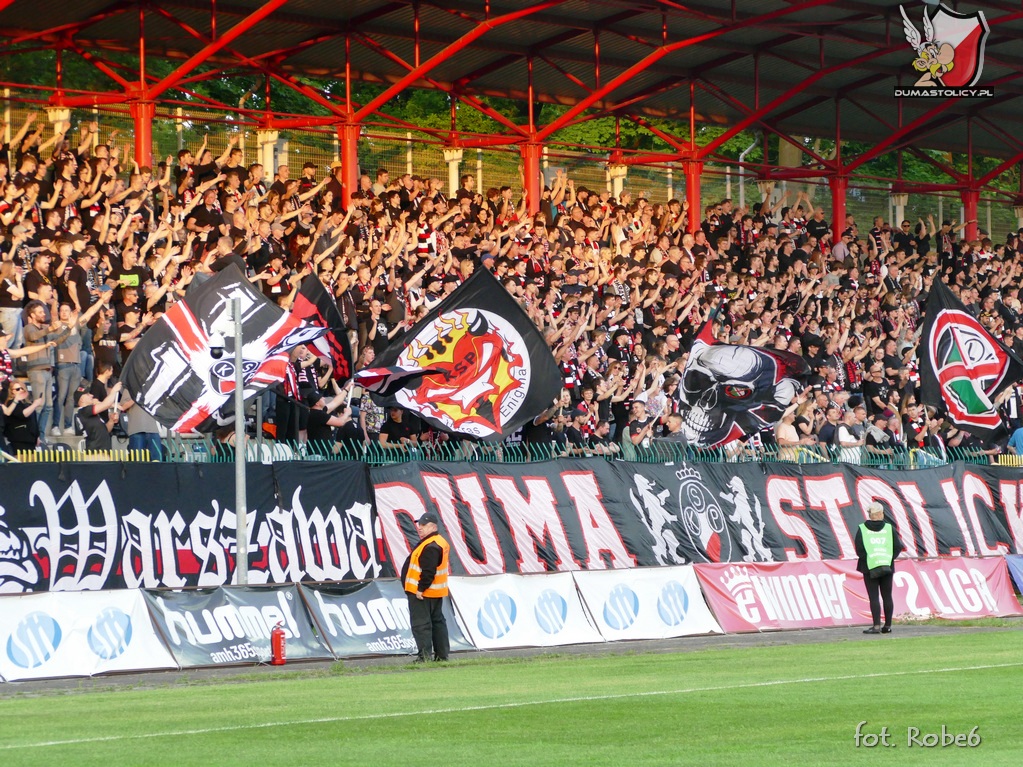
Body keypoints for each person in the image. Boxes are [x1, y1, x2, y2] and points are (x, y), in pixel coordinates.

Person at [400, 511, 450, 663]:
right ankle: (441, 655)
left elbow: (428, 571)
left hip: (423, 593)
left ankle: (424, 657)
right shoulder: (438, 542)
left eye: (423, 525)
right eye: (419, 524)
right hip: (435, 591)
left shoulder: (431, 545)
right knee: (437, 622)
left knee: (421, 624)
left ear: (433, 526)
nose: (419, 528)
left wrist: (420, 589)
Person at [854, 502, 905, 635]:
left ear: (870, 514)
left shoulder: (862, 528)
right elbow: (898, 546)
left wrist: (870, 559)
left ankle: (876, 626)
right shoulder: (889, 528)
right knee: (887, 596)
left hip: (869, 567)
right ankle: (887, 626)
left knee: (874, 597)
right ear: (881, 514)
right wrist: (889, 558)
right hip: (887, 566)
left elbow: (859, 549)